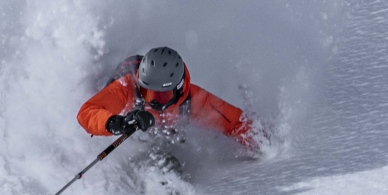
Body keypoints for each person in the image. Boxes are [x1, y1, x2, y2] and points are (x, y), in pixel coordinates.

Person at [76, 46, 257, 152]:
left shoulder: (194, 100)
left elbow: (235, 123)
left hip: (165, 131)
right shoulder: (126, 88)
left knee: (174, 141)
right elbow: (88, 112)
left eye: (163, 96)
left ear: (179, 89)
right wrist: (117, 122)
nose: (154, 102)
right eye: (148, 93)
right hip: (124, 120)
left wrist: (261, 143)